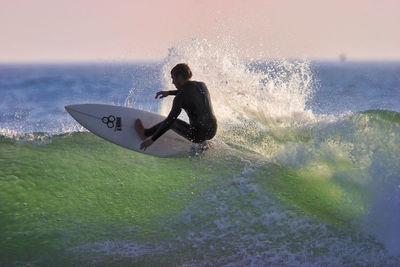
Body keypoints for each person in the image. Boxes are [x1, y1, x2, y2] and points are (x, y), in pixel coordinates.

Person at [135, 63, 217, 150]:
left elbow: (169, 121)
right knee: (201, 123)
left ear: (180, 77)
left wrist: (152, 140)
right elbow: (189, 92)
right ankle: (205, 142)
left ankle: (145, 134)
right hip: (212, 130)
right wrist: (169, 93)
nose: (172, 82)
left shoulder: (180, 98)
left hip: (197, 136)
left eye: (173, 78)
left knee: (174, 122)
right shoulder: (202, 85)